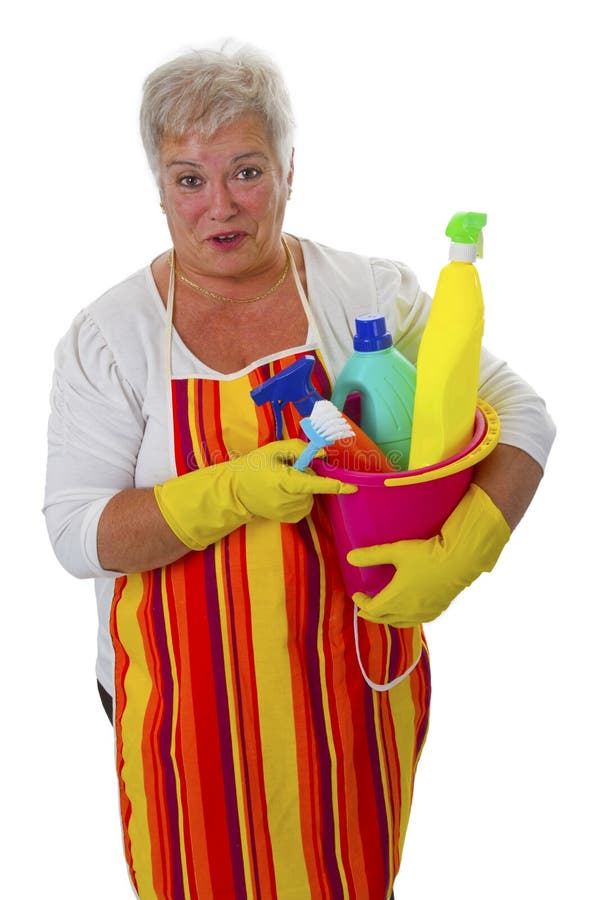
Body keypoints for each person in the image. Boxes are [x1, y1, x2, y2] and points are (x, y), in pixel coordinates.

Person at [43, 43, 555, 900]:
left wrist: (467, 549)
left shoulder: (367, 293)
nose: (220, 206)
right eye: (187, 179)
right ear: (158, 187)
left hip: (349, 681)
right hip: (186, 708)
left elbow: (523, 415)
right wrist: (231, 490)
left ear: (288, 167)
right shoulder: (113, 334)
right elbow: (75, 535)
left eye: (245, 170)